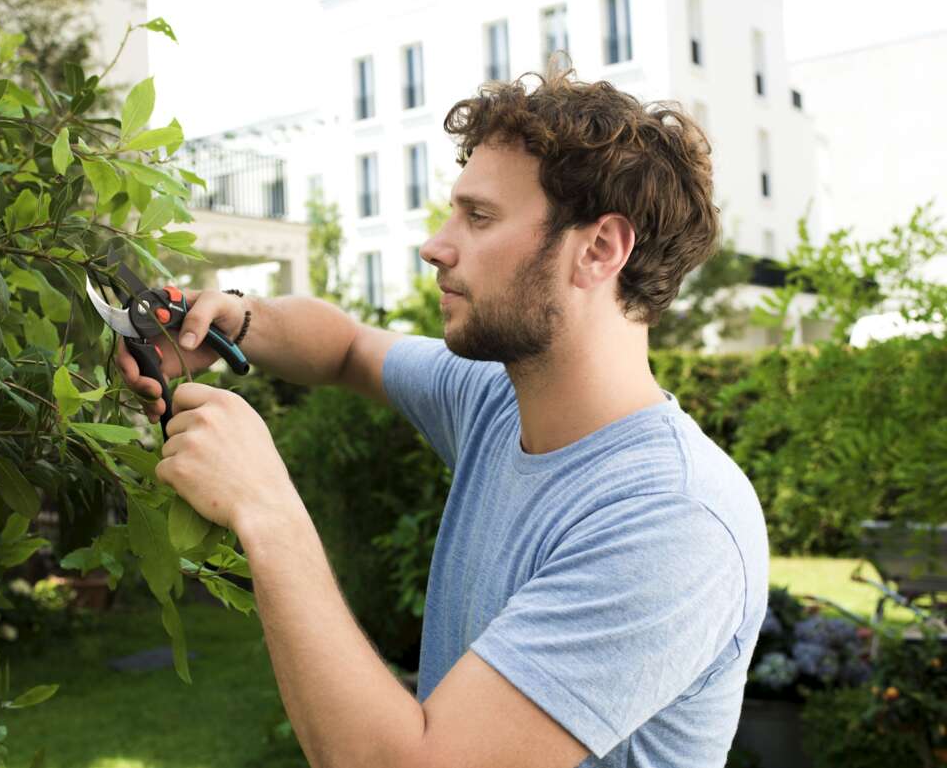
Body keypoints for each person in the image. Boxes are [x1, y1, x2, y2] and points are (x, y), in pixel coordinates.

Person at [117, 67, 768, 768]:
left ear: (600, 249)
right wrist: (233, 323)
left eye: (478, 217)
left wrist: (266, 509)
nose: (435, 244)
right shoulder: (494, 398)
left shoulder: (672, 518)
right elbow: (347, 347)